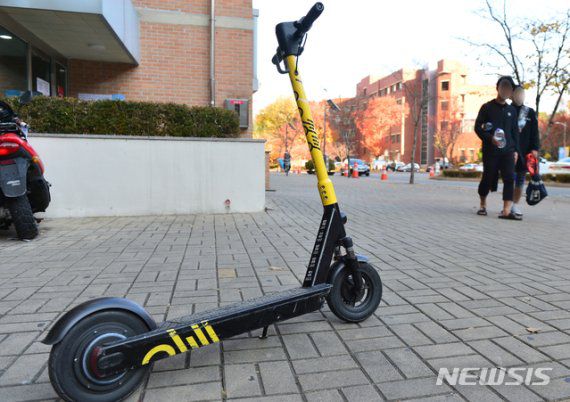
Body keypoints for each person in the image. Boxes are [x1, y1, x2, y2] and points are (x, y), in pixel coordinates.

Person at [474, 76, 520, 220]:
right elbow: (478, 127)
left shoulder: (512, 110)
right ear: (497, 88)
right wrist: (490, 138)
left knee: (509, 178)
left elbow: (514, 132)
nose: (505, 90)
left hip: (508, 151)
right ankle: (483, 204)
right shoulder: (487, 107)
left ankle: (506, 210)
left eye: (508, 88)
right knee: (487, 178)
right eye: (503, 87)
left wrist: (516, 150)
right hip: (491, 151)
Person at [511, 85, 539, 218]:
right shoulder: (507, 110)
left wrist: (535, 148)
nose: (519, 96)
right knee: (509, 179)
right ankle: (507, 205)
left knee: (520, 179)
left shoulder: (529, 112)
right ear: (512, 95)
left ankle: (515, 205)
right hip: (510, 151)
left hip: (525, 152)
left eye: (522, 93)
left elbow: (535, 133)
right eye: (517, 93)